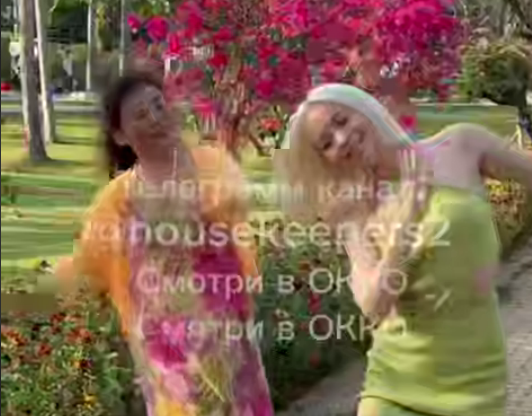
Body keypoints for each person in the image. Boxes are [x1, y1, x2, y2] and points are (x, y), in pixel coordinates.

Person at [273, 83, 532, 416]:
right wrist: (406, 220)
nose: (342, 138)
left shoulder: (462, 145)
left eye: (341, 120)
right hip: (395, 394)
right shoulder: (355, 210)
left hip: (478, 387)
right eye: (327, 143)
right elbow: (374, 305)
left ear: (364, 108)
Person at [53, 70, 274, 416]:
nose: (156, 117)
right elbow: (88, 266)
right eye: (141, 114)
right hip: (166, 355)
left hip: (227, 338)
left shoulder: (212, 167)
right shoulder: (117, 199)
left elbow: (237, 238)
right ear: (120, 135)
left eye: (159, 105)